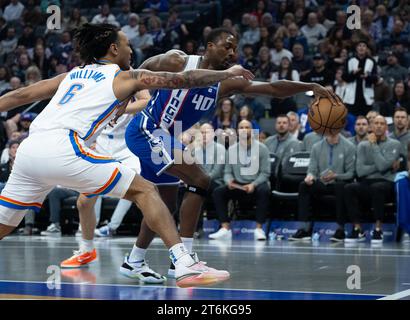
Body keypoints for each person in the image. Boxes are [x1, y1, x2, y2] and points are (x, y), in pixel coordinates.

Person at [0, 23, 253, 288]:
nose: (131, 50)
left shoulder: (73, 74)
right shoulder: (125, 77)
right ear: (113, 48)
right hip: (64, 148)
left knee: (5, 224)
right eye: (126, 45)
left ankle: (141, 260)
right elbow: (183, 79)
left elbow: (21, 94)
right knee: (145, 190)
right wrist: (227, 73)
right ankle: (184, 263)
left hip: (30, 150)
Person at [74, 27, 337, 279]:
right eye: (227, 47)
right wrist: (120, 98)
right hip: (146, 129)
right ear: (209, 47)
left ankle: (134, 260)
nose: (232, 54)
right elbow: (136, 71)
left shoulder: (225, 83)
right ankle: (184, 260)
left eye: (235, 49)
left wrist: (310, 85)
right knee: (200, 180)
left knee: (165, 204)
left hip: (165, 135)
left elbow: (273, 88)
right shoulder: (178, 60)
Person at [209, 120, 271, 241]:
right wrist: (229, 181)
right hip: (237, 184)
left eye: (247, 127)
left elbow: (265, 173)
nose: (244, 129)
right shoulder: (231, 150)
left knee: (264, 190)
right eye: (241, 127)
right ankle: (225, 228)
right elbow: (227, 171)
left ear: (252, 131)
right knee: (218, 192)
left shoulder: (262, 148)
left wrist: (254, 184)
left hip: (255, 184)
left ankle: (259, 229)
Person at [344, 116, 402, 244]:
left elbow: (381, 166)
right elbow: (360, 171)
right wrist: (387, 165)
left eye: (382, 123)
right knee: (349, 188)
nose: (379, 126)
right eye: (376, 123)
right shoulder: (362, 145)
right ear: (371, 127)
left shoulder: (395, 144)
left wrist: (374, 145)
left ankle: (378, 229)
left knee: (378, 188)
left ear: (386, 127)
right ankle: (358, 229)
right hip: (367, 182)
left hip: (387, 182)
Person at [289, 132, 356, 242]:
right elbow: (312, 170)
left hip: (340, 182)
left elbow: (351, 174)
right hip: (322, 182)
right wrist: (310, 177)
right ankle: (304, 229)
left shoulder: (349, 146)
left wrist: (336, 176)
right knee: (304, 186)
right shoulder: (317, 147)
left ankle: (340, 229)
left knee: (341, 187)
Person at [342, 40, 378, 116]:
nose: (361, 48)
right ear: (356, 48)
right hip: (352, 96)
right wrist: (353, 74)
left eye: (364, 46)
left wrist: (367, 76)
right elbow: (344, 77)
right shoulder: (350, 60)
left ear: (367, 49)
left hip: (366, 96)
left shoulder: (371, 61)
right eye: (359, 46)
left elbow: (375, 79)